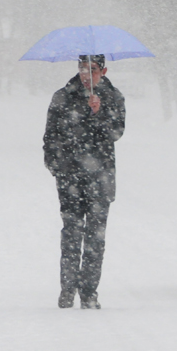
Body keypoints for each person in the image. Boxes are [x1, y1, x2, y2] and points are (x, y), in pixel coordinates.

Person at [43, 54, 126, 309]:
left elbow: (115, 132)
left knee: (95, 237)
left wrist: (99, 113)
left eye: (91, 68)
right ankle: (67, 289)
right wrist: (57, 166)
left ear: (104, 70)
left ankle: (89, 291)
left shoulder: (113, 97)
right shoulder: (63, 96)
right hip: (70, 177)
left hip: (100, 178)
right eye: (81, 67)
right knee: (71, 232)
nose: (85, 73)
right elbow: (50, 136)